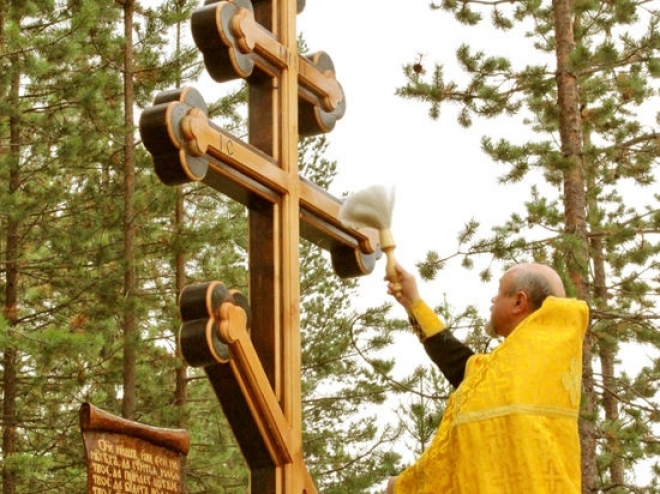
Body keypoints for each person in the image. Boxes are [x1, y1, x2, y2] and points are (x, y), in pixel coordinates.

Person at [385, 263, 589, 494]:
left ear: (519, 302)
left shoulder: (523, 371)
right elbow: (457, 363)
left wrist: (404, 486)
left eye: (500, 291)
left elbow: (471, 434)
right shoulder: (522, 367)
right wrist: (413, 303)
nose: (493, 299)